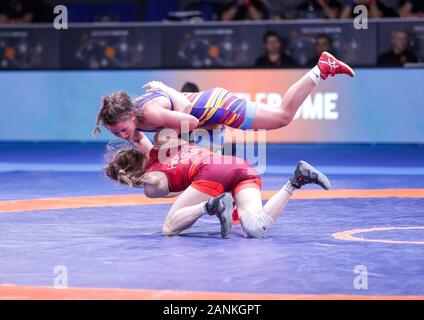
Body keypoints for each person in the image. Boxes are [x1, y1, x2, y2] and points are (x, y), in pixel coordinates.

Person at [93, 51, 355, 148]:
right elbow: (146, 148)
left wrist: (165, 89)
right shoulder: (134, 127)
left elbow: (190, 118)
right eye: (116, 134)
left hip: (215, 107)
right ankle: (233, 206)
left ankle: (321, 68)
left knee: (282, 117)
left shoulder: (149, 114)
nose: (122, 136)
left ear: (130, 115)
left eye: (122, 129)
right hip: (208, 116)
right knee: (205, 165)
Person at [104, 134, 331, 238]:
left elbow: (167, 189)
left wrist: (138, 179)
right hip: (237, 165)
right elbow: (140, 138)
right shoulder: (163, 144)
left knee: (169, 228)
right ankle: (296, 180)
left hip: (210, 173)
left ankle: (211, 206)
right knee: (254, 227)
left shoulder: (152, 184)